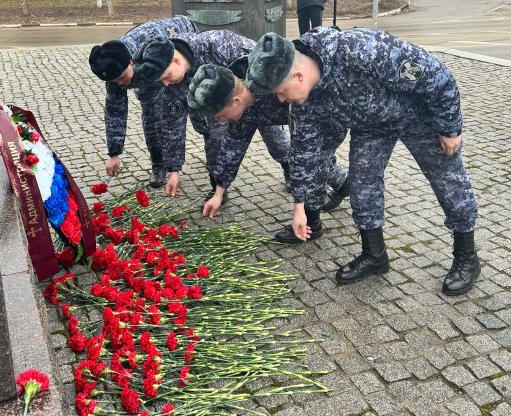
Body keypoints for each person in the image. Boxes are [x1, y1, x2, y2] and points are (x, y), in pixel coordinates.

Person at [246, 28, 480, 296]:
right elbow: (304, 150)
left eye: (280, 91)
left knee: (448, 181)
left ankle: (467, 256)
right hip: (372, 126)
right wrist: (300, 204)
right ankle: (374, 255)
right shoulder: (304, 101)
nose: (280, 98)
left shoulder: (360, 50)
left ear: (298, 75)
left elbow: (436, 76)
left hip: (419, 116)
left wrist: (450, 128)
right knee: (361, 184)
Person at [187, 61, 350, 241]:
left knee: (314, 161)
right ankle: (344, 183)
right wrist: (218, 193)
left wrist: (299, 208)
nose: (221, 119)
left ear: (236, 101)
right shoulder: (242, 106)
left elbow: (302, 152)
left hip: (325, 116)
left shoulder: (275, 86)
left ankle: (311, 225)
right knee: (311, 161)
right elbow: (232, 147)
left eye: (221, 115)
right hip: (300, 120)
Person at [132, 30, 291, 200]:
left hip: (254, 97)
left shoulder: (217, 45)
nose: (165, 83)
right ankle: (218, 188)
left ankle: (291, 169)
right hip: (217, 111)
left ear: (176, 61)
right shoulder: (171, 81)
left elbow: (258, 65)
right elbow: (173, 123)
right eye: (160, 81)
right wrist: (174, 170)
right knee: (215, 139)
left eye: (166, 77)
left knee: (275, 138)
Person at [88, 15, 198, 187]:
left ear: (131, 63)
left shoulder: (148, 55)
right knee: (151, 116)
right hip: (146, 79)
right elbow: (115, 111)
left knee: (186, 105)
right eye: (115, 80)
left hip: (181, 35)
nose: (120, 83)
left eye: (122, 77)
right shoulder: (113, 67)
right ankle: (158, 164)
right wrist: (114, 153)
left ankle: (205, 143)